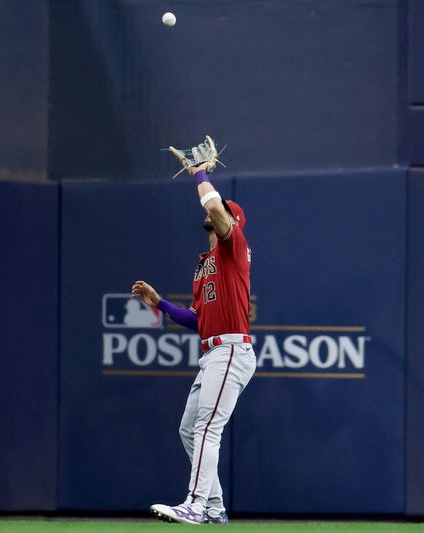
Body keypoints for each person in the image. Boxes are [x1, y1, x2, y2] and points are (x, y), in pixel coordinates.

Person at [131, 155, 255, 525]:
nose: (217, 213)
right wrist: (161, 304)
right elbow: (200, 321)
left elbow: (215, 206)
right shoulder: (205, 264)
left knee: (206, 428)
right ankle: (214, 507)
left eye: (224, 212)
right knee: (189, 429)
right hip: (213, 350)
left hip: (232, 350)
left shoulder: (234, 250)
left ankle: (196, 504)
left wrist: (199, 172)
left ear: (232, 221)